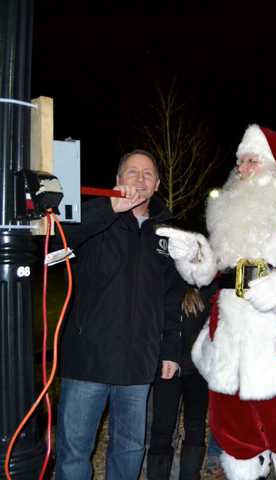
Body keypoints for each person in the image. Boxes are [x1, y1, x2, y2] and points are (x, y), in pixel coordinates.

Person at [159, 124, 276, 480]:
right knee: (233, 430)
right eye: (240, 162)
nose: (241, 169)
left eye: (251, 161)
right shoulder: (228, 214)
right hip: (229, 342)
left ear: (273, 167)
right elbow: (211, 275)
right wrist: (191, 255)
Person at [54, 150, 183, 480]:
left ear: (156, 185)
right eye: (132, 172)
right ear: (118, 180)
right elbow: (58, 239)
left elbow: (170, 298)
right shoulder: (98, 218)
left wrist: (169, 350)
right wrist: (109, 207)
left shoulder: (166, 235)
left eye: (148, 174)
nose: (140, 179)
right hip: (87, 361)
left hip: (138, 364)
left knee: (129, 449)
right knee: (74, 453)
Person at [147, 283, 216, 480]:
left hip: (197, 368)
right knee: (162, 428)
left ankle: (189, 474)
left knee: (194, 427)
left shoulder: (208, 285)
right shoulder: (168, 282)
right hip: (169, 366)